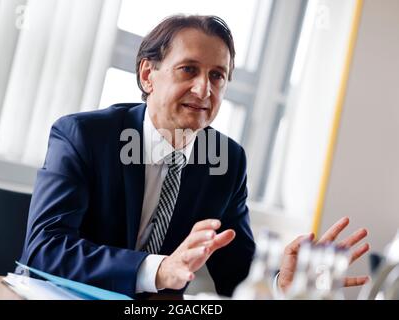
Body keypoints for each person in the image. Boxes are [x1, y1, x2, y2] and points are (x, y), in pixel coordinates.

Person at [19, 15, 369, 298]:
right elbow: (45, 248)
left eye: (217, 76)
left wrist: (279, 285)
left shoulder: (226, 161)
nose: (204, 89)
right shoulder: (84, 136)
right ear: (147, 75)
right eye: (189, 69)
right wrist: (158, 270)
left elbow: (236, 272)